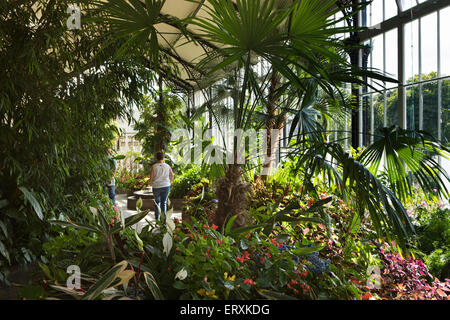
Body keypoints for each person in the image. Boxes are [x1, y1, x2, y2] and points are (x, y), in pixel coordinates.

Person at [148, 151, 174, 220]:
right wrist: (170, 183)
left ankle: (157, 219)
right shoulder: (167, 166)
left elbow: (151, 178)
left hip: (156, 186)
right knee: (164, 203)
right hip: (166, 186)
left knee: (157, 203)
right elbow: (172, 175)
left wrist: (149, 183)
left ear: (156, 158)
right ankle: (163, 219)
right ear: (163, 158)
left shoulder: (153, 166)